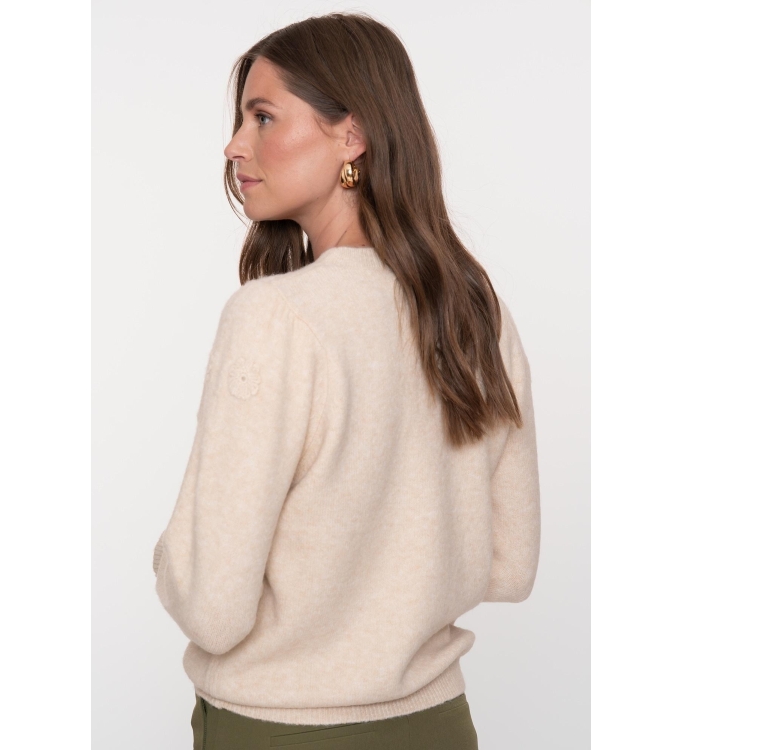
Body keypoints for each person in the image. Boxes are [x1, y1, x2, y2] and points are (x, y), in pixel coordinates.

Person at [153, 11, 540, 750]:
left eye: (263, 116)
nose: (235, 145)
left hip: (281, 731)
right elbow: (510, 564)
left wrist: (171, 558)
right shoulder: (474, 311)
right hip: (437, 726)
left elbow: (211, 607)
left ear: (351, 136)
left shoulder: (275, 316)